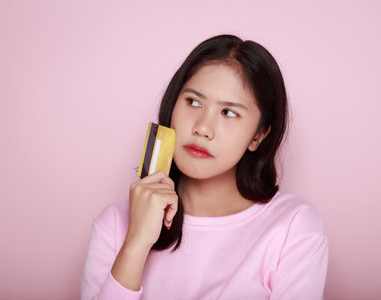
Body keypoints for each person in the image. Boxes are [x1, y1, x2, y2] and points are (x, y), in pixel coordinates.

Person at [80, 34, 328, 299]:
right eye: (193, 102)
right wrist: (136, 242)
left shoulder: (292, 226)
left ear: (258, 136)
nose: (202, 128)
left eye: (228, 112)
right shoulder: (116, 224)